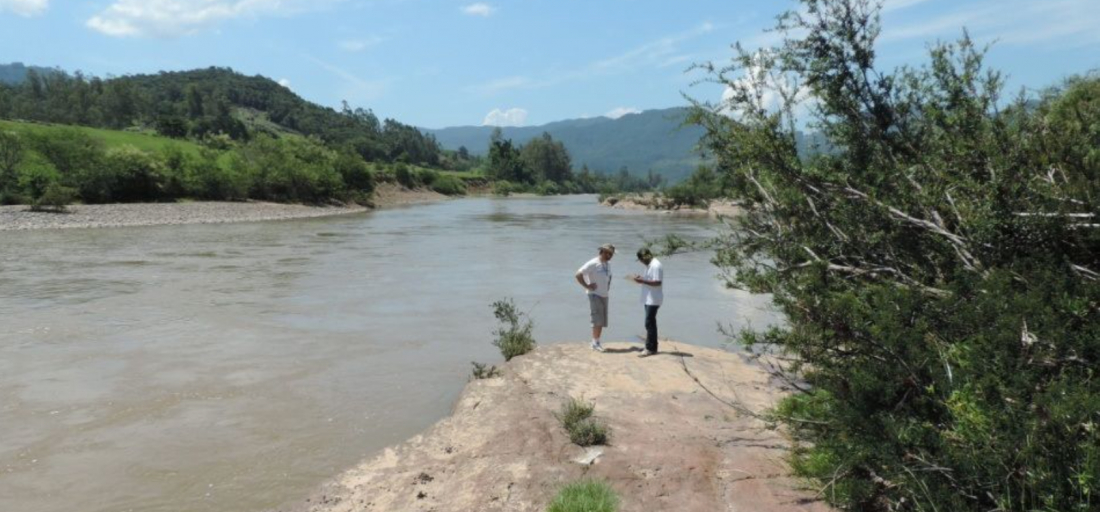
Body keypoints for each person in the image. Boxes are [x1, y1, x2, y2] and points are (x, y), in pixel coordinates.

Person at [575, 244, 615, 352]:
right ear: (603, 252)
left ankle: (596, 341)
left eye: (612, 254)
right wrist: (587, 286)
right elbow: (578, 274)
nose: (611, 256)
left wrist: (608, 286)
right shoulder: (593, 263)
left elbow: (609, 276)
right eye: (609, 253)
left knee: (601, 320)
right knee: (597, 319)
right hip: (594, 294)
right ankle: (594, 343)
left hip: (604, 294)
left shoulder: (608, 264)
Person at [632, 248, 663, 357]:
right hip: (649, 298)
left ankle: (650, 348)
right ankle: (651, 346)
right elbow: (651, 279)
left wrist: (642, 281)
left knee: (649, 323)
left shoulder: (655, 265)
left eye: (641, 260)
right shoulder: (650, 265)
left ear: (645, 257)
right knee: (651, 322)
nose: (641, 262)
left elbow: (657, 282)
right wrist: (641, 278)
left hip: (653, 299)